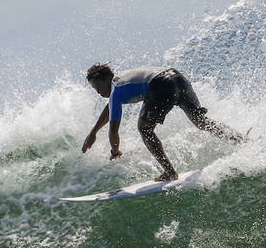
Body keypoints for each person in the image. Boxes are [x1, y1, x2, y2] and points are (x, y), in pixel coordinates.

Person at [81, 64, 243, 181]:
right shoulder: (121, 80)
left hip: (160, 84)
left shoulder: (116, 90)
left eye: (98, 87)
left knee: (144, 129)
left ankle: (170, 172)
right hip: (178, 79)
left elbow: (113, 130)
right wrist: (93, 132)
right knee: (201, 122)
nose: (99, 92)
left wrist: (115, 151)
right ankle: (241, 141)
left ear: (107, 79)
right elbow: (109, 108)